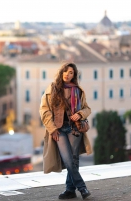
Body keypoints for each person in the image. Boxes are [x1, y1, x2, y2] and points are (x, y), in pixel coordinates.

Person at [39, 62, 92, 200]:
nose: (67, 75)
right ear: (61, 72)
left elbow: (87, 108)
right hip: (59, 129)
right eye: (65, 71)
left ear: (74, 75)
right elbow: (44, 110)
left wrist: (80, 114)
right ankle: (82, 187)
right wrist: (52, 129)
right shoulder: (52, 89)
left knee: (73, 160)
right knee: (68, 159)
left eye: (71, 73)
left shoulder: (78, 90)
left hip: (74, 129)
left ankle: (70, 190)